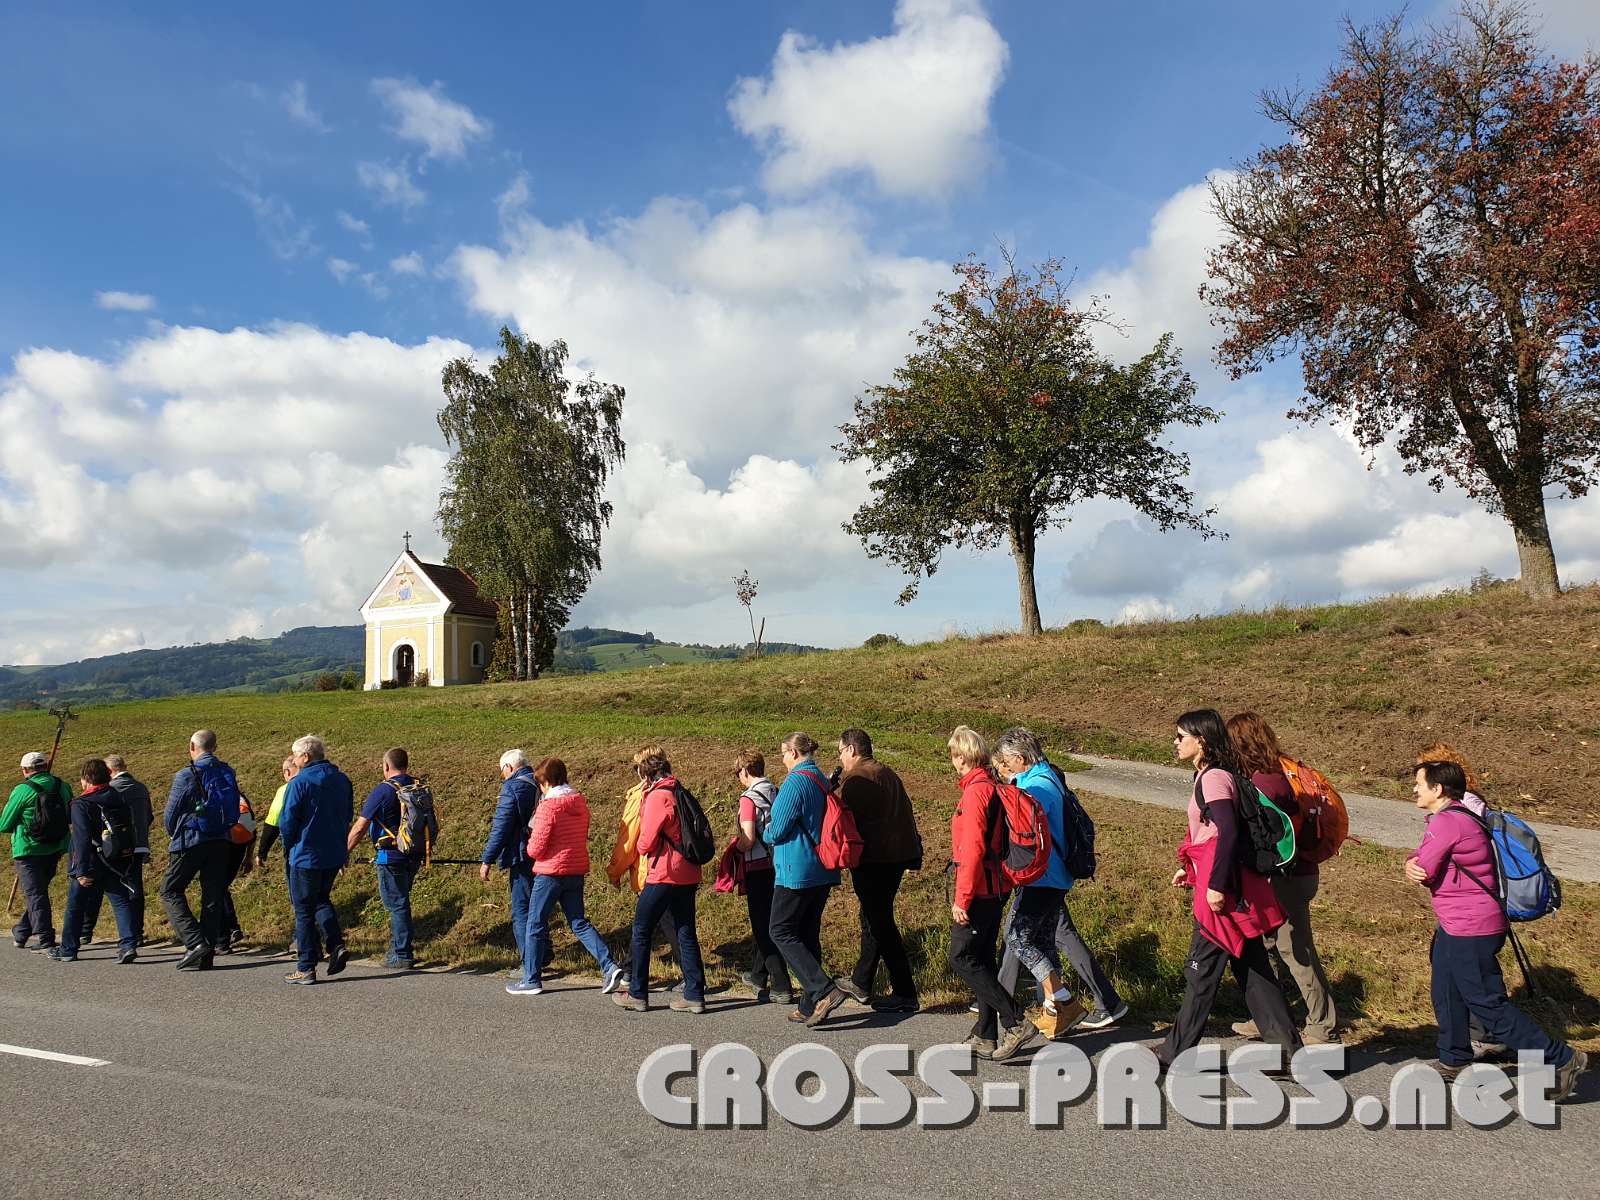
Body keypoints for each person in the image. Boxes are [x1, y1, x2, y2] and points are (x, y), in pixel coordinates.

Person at [1405, 759, 1586, 1099]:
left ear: (1437, 789)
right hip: (1457, 923)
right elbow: (1424, 857)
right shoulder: (1460, 816)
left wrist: (1413, 865)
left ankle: (1561, 1058)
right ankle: (1454, 1058)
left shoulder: (1447, 822)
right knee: (1446, 990)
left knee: (1487, 1003)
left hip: (1471, 927)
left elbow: (1425, 869)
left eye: (1419, 783)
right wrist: (1411, 862)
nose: (1415, 788)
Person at [1159, 709, 1299, 1070]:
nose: (1175, 742)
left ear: (1201, 740)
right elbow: (1208, 831)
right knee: (1253, 969)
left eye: (1181, 736)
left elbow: (1228, 831)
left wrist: (1217, 886)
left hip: (1222, 891)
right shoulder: (1208, 775)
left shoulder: (1214, 778)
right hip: (1223, 882)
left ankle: (1175, 1051)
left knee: (1201, 972)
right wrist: (1188, 866)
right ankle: (1288, 1053)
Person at [993, 731, 1127, 1032]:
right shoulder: (1050, 778)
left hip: (1042, 876)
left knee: (1017, 938)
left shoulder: (1034, 787)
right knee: (1044, 941)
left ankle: (1063, 1000)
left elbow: (1020, 827)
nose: (1006, 767)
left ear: (1020, 757)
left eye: (1007, 761)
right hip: (1055, 875)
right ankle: (1055, 1009)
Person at [1226, 712, 1338, 1045]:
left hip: (1286, 877)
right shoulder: (1276, 774)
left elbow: (1264, 836)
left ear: (1240, 744)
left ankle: (1323, 1027)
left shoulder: (1265, 784)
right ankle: (1269, 1017)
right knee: (1267, 945)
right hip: (1294, 874)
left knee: (1296, 951)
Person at [946, 725, 1037, 1062]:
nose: (953, 761)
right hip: (996, 885)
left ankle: (1015, 1020)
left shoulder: (975, 793)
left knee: (961, 957)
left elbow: (971, 849)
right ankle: (985, 1033)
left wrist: (962, 899)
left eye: (954, 754)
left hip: (980, 888)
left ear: (961, 757)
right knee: (982, 958)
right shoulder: (992, 785)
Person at [511, 756, 625, 996]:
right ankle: (609, 965)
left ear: (546, 782)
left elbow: (535, 849)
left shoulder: (548, 807)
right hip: (575, 870)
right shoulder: (579, 802)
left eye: (541, 784)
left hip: (550, 873)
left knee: (535, 923)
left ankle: (531, 978)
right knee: (578, 922)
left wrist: (530, 841)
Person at [830, 728, 922, 1013]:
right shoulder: (887, 773)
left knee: (880, 923)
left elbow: (846, 823)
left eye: (841, 751)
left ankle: (903, 990)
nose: (840, 758)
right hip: (897, 856)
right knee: (874, 918)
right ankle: (863, 981)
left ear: (851, 749)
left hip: (873, 859)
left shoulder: (857, 779)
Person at [613, 747, 706, 1013]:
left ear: (646, 773)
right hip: (688, 871)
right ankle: (694, 994)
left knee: (641, 930)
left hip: (664, 872)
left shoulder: (658, 796)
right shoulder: (680, 790)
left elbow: (645, 842)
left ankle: (637, 993)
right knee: (685, 931)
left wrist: (641, 847)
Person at [766, 732, 845, 1027]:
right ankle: (809, 1004)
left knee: (780, 930)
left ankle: (823, 990)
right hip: (822, 867)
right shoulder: (820, 779)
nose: (782, 759)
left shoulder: (795, 782)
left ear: (794, 753)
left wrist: (764, 832)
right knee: (808, 933)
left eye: (783, 753)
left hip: (796, 869)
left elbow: (778, 829)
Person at [161, 730, 240, 971]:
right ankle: (207, 955)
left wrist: (174, 833)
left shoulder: (187, 774)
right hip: (221, 839)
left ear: (192, 746)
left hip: (191, 839)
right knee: (212, 897)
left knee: (170, 890)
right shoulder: (227, 771)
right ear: (214, 747)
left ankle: (195, 942)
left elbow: (171, 813)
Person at [278, 735, 354, 985]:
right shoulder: (342, 780)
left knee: (303, 910)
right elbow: (347, 814)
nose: (294, 759)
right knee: (321, 899)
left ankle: (306, 966)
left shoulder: (299, 783)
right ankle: (335, 943)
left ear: (305, 756)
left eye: (296, 755)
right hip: (333, 851)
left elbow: (288, 820)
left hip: (306, 853)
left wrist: (288, 846)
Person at [606, 744, 683, 986]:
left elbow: (629, 839)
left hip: (651, 869)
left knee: (655, 923)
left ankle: (636, 977)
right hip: (676, 866)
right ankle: (630, 969)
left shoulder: (644, 795)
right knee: (658, 921)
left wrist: (615, 870)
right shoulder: (674, 788)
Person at [50, 759, 140, 964]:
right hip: (115, 857)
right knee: (120, 900)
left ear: (86, 779)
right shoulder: (117, 797)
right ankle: (128, 944)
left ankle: (68, 948)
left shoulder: (82, 803)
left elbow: (81, 838)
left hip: (90, 860)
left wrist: (81, 870)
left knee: (75, 905)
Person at [348, 748, 420, 969]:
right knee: (402, 901)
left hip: (390, 855)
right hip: (414, 853)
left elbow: (360, 827)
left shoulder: (383, 790)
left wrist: (345, 851)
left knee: (397, 904)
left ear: (386, 766)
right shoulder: (416, 786)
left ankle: (402, 954)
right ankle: (399, 948)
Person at [732, 749, 792, 1004]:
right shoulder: (775, 791)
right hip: (777, 863)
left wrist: (735, 849)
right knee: (770, 919)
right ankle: (758, 975)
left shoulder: (749, 798)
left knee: (761, 925)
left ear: (745, 770)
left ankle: (781, 984)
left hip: (757, 865)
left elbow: (748, 838)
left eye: (738, 772)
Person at [4, 751, 73, 951]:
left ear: (25, 770)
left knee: (35, 895)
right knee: (38, 893)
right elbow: (69, 814)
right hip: (56, 847)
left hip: (28, 849)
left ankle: (45, 938)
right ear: (45, 766)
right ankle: (22, 932)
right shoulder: (63, 786)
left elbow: (4, 824)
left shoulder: (22, 790)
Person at [481, 749, 539, 971]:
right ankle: (543, 953)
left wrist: (487, 859)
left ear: (509, 767)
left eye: (502, 771)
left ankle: (529, 964)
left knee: (521, 911)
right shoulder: (541, 782)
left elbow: (501, 827)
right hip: (543, 852)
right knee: (538, 908)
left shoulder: (512, 787)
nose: (502, 775)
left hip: (522, 855)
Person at [105, 754, 152, 946]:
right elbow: (149, 816)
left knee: (123, 888)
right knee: (136, 885)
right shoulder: (140, 787)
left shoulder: (112, 789)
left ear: (110, 771)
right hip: (141, 843)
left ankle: (131, 932)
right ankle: (137, 931)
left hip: (122, 844)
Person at [215, 790, 255, 953]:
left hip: (222, 843)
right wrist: (249, 856)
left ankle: (222, 939)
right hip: (241, 844)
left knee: (216, 889)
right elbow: (252, 827)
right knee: (221, 888)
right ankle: (232, 928)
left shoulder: (213, 794)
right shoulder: (240, 796)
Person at [256, 757, 298, 874]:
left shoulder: (285, 790)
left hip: (297, 850)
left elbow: (273, 822)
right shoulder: (320, 783)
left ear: (287, 772)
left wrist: (262, 852)